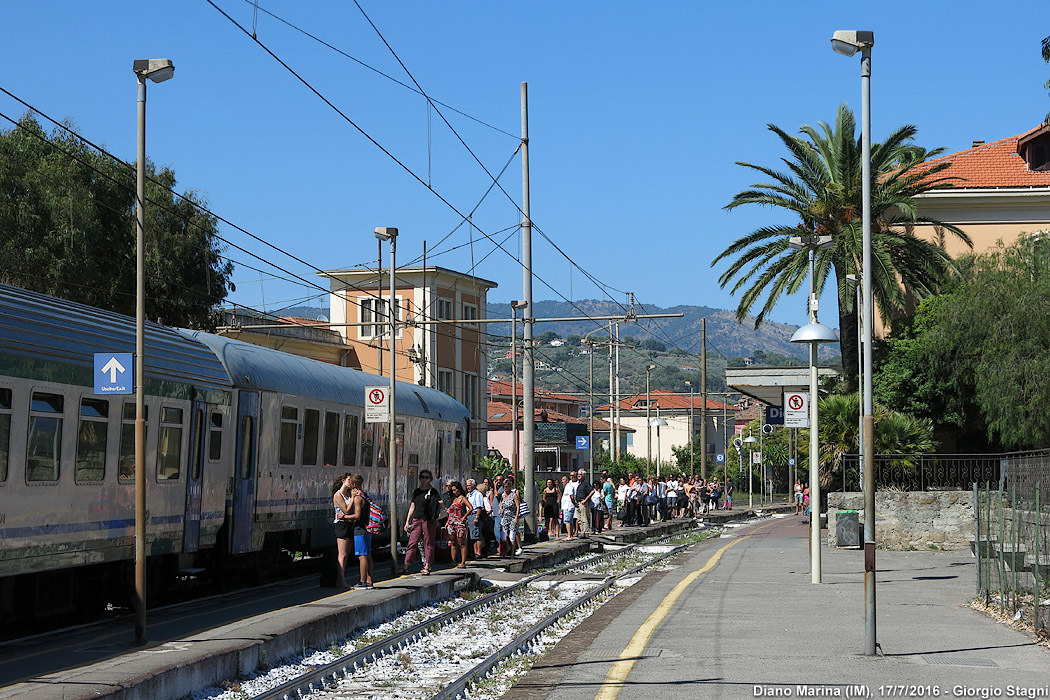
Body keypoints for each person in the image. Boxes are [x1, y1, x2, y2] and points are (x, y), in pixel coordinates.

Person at [403, 470, 440, 575]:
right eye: (422, 477)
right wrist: (407, 521)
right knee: (412, 542)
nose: (423, 479)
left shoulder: (433, 492)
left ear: (430, 479)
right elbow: (412, 506)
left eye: (426, 477)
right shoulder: (417, 491)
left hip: (428, 520)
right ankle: (406, 565)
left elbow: (440, 504)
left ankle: (427, 566)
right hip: (417, 519)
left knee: (428, 543)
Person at [345, 474, 374, 588]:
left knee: (362, 556)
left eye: (350, 482)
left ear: (353, 484)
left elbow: (356, 515)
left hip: (360, 529)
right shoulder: (364, 495)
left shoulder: (358, 498)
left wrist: (343, 517)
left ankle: (362, 581)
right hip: (367, 528)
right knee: (368, 555)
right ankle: (369, 581)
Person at [332, 473, 355, 589]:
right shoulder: (338, 495)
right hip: (341, 525)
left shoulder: (348, 495)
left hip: (349, 524)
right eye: (349, 480)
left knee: (347, 554)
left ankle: (341, 579)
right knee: (342, 554)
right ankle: (341, 581)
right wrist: (353, 499)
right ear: (343, 480)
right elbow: (346, 510)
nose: (351, 483)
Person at [445, 481, 473, 568]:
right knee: (453, 543)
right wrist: (448, 521)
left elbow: (471, 508)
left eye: (455, 490)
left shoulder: (462, 498)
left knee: (461, 543)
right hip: (451, 522)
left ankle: (463, 562)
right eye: (452, 490)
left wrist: (464, 517)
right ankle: (453, 561)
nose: (454, 492)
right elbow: (450, 512)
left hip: (460, 523)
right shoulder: (453, 499)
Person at [498, 477, 522, 555]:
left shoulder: (514, 495)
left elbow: (518, 506)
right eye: (504, 486)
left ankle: (512, 553)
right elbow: (501, 503)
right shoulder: (503, 495)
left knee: (512, 536)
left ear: (509, 487)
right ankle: (507, 547)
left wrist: (516, 518)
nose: (505, 488)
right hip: (505, 517)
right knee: (503, 536)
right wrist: (500, 509)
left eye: (506, 486)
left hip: (512, 517)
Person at [465, 479, 487, 559]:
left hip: (475, 515)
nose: (468, 487)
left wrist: (476, 517)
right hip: (470, 515)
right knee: (473, 536)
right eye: (467, 485)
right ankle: (475, 552)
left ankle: (478, 552)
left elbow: (479, 507)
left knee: (477, 535)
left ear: (474, 486)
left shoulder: (478, 494)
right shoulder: (469, 494)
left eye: (469, 485)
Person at [573, 470, 594, 537]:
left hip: (582, 502)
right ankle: (582, 532)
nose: (578, 476)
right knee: (579, 519)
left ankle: (586, 532)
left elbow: (592, 491)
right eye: (578, 474)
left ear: (583, 475)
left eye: (580, 474)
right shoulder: (579, 483)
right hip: (578, 503)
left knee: (584, 518)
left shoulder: (585, 483)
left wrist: (585, 500)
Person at [561, 473, 578, 540]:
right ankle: (570, 534)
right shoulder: (567, 486)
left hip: (568, 506)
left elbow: (571, 496)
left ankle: (569, 535)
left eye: (564, 479)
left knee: (567, 521)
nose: (562, 481)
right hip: (567, 506)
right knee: (569, 521)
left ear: (567, 480)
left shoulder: (569, 486)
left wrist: (574, 503)